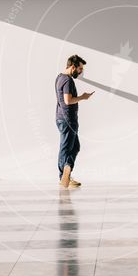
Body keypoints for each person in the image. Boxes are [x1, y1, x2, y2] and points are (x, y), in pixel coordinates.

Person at [55, 55, 94, 187]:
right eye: (79, 69)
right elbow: (67, 100)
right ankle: (64, 176)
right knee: (65, 148)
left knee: (75, 146)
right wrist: (82, 97)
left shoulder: (59, 78)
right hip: (68, 119)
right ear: (72, 67)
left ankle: (67, 170)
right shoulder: (67, 80)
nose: (81, 71)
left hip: (62, 118)